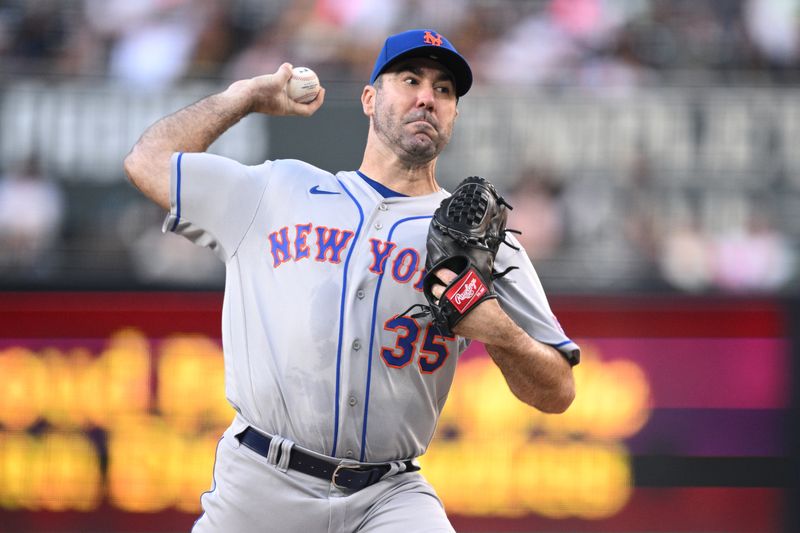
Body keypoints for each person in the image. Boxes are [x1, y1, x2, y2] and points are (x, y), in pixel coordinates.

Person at [124, 28, 579, 533]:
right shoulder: (278, 190)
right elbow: (146, 162)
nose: (427, 97)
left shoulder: (481, 242)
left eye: (444, 90)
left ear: (454, 114)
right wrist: (244, 98)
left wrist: (495, 328)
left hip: (389, 495)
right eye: (410, 79)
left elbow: (558, 390)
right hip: (261, 484)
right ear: (369, 98)